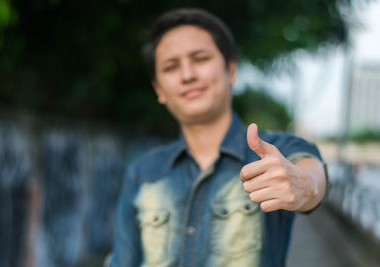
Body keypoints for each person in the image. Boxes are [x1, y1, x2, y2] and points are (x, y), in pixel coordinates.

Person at [110, 8, 327, 267]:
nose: (187, 75)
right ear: (159, 90)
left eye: (200, 58)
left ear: (231, 70)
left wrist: (305, 185)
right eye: (171, 67)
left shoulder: (275, 152)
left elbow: (311, 174)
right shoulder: (143, 172)